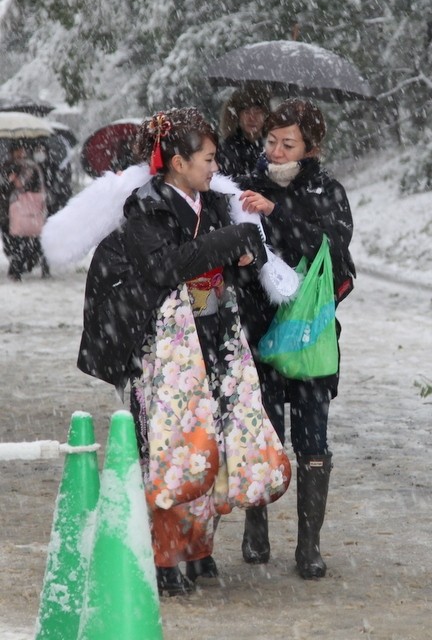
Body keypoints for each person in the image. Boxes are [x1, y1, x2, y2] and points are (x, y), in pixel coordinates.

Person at [77, 107, 291, 597]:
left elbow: (242, 251)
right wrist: (227, 242)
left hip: (212, 328)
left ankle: (199, 549)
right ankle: (165, 554)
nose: (215, 168)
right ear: (177, 162)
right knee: (171, 446)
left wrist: (246, 252)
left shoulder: (211, 203)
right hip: (166, 346)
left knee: (207, 441)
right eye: (208, 158)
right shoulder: (145, 207)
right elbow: (165, 267)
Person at [236, 98, 356, 580]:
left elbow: (335, 254)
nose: (277, 151)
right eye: (271, 142)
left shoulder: (328, 191)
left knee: (312, 439)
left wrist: (278, 213)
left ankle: (309, 544)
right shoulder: (249, 188)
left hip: (309, 337)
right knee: (263, 433)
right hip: (259, 332)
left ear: (312, 147)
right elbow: (238, 252)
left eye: (289, 143)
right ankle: (256, 523)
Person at [0, 143, 49, 281]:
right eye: (16, 151)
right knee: (10, 242)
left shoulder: (30, 167)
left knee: (22, 241)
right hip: (7, 211)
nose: (19, 153)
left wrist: (17, 180)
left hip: (24, 211)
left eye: (21, 150)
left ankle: (18, 268)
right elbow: (3, 184)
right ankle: (18, 265)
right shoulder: (7, 165)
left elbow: (33, 185)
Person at [216, 85, 270, 177]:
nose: (252, 118)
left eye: (257, 111)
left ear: (266, 115)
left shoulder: (272, 148)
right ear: (236, 116)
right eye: (246, 112)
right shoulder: (225, 150)